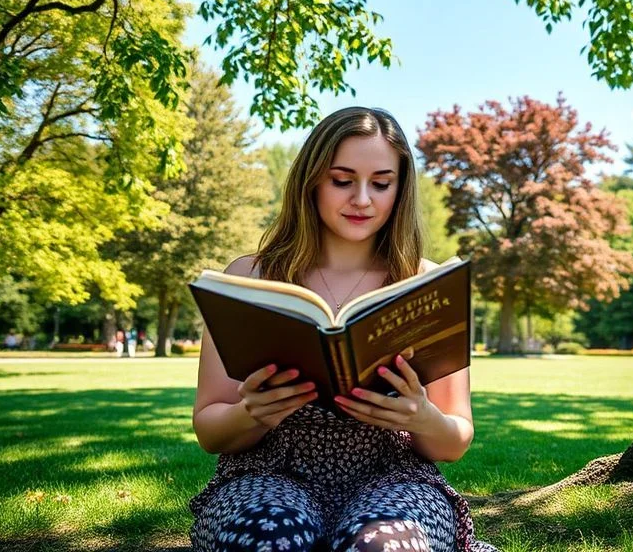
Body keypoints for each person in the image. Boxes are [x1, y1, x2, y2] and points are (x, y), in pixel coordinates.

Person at [189, 107, 495, 552]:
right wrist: (251, 412)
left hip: (394, 477)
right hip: (267, 474)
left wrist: (422, 417)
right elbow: (209, 430)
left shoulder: (428, 283)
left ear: (400, 189)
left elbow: (456, 438)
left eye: (381, 183)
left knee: (381, 546)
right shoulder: (249, 277)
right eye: (342, 180)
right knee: (268, 539)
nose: (362, 199)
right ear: (311, 180)